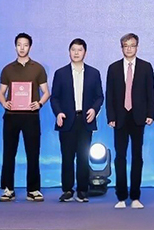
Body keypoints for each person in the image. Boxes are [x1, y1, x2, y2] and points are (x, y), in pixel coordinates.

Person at [0, 33, 50, 202]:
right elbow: (1, 93)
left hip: (31, 116)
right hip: (11, 116)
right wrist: (4, 103)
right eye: (19, 44)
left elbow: (46, 92)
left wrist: (39, 103)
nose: (22, 48)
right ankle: (8, 189)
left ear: (30, 47)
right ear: (15, 46)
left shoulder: (38, 68)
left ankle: (33, 189)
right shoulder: (7, 69)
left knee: (33, 153)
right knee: (8, 153)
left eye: (25, 45)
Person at [106, 33, 154, 209]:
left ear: (137, 47)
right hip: (119, 118)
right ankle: (121, 196)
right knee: (120, 157)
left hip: (138, 117)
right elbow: (109, 94)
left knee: (137, 157)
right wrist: (111, 117)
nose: (129, 48)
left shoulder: (145, 67)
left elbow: (150, 92)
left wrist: (151, 114)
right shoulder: (113, 68)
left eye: (132, 45)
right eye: (125, 45)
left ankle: (135, 196)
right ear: (121, 48)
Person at [50, 38, 104, 203]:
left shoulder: (94, 73)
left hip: (85, 120)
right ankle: (67, 190)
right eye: (73, 49)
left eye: (79, 50)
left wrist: (94, 109)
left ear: (85, 52)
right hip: (67, 120)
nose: (76, 53)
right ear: (69, 52)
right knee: (67, 157)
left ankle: (82, 190)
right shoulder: (61, 73)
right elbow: (55, 98)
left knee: (83, 157)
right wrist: (58, 113)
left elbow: (99, 96)